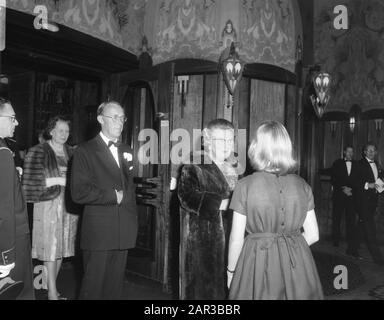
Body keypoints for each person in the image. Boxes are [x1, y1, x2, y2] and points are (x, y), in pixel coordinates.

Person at [227, 121, 323, 300]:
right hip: (298, 264)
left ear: (257, 147)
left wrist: (231, 271)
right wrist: (286, 249)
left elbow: (236, 239)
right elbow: (313, 235)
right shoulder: (303, 185)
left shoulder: (245, 185)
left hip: (257, 262)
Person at [71, 101, 138, 300]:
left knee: (114, 289)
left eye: (122, 117)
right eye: (114, 117)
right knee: (92, 289)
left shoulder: (126, 148)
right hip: (99, 232)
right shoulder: (85, 150)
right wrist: (112, 196)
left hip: (123, 228)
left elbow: (129, 187)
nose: (120, 122)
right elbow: (78, 192)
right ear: (100, 119)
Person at [177, 119, 240, 300]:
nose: (227, 145)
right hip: (202, 241)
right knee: (202, 292)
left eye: (230, 140)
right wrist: (222, 204)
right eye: (221, 140)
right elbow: (186, 196)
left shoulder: (233, 167)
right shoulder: (194, 163)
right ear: (208, 140)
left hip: (230, 237)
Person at [22, 116, 79, 300]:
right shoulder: (38, 151)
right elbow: (30, 182)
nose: (64, 134)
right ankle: (53, 293)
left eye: (67, 131)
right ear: (51, 131)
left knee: (62, 247)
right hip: (47, 204)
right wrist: (62, 180)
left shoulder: (72, 152)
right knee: (51, 248)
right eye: (60, 130)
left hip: (68, 205)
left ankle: (49, 286)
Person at [0, 97, 35, 300]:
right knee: (20, 293)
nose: (17, 123)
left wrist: (13, 175)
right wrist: (7, 256)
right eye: (12, 118)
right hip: (12, 237)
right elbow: (4, 210)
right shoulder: (3, 152)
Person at [352, 142, 384, 265]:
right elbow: (353, 181)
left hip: (373, 201)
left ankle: (352, 249)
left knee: (362, 224)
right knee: (370, 229)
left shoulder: (377, 164)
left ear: (376, 152)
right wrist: (367, 185)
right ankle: (378, 259)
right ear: (364, 152)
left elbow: (379, 180)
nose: (371, 152)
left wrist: (381, 187)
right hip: (362, 201)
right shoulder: (359, 164)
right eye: (369, 150)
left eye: (373, 150)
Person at [331, 146, 361, 258]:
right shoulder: (337, 163)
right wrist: (343, 188)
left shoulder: (357, 164)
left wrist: (351, 189)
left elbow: (359, 180)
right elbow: (334, 179)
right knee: (337, 218)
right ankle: (335, 240)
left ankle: (350, 241)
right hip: (339, 195)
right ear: (344, 152)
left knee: (351, 220)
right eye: (348, 151)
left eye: (352, 152)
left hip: (351, 196)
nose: (350, 153)